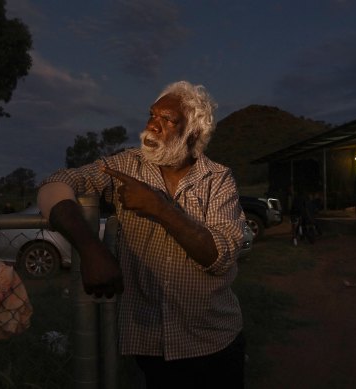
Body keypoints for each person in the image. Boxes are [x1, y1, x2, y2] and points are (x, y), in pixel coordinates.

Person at [38, 81, 246, 388]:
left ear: (194, 133)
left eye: (167, 119)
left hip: (213, 342)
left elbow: (218, 257)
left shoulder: (218, 179)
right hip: (151, 344)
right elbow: (57, 182)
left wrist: (159, 208)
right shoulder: (127, 164)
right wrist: (91, 249)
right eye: (151, 115)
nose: (152, 125)